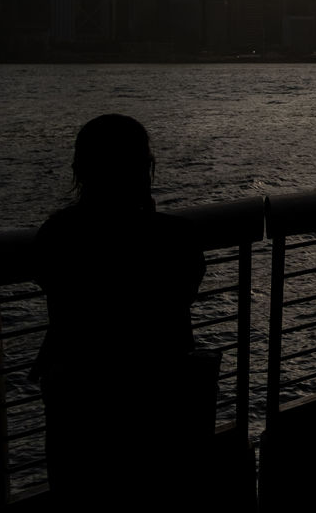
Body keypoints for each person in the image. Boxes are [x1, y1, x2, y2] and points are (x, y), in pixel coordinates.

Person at [33, 114, 211, 512]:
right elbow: (182, 294)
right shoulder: (177, 237)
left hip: (80, 400)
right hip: (160, 396)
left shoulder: (57, 234)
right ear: (145, 168)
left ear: (81, 169)